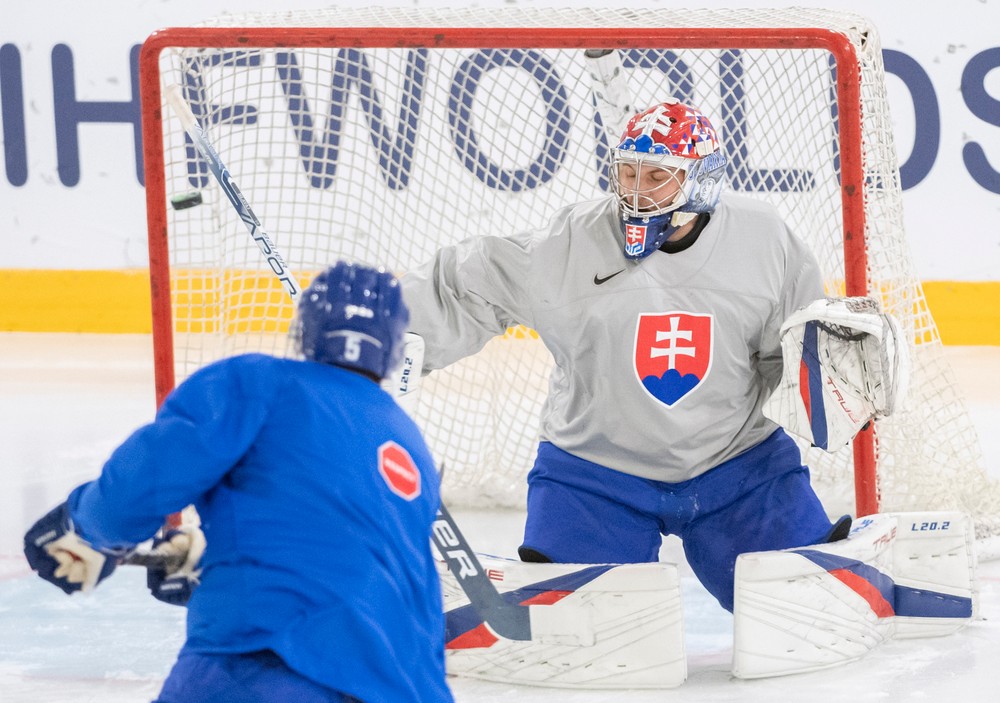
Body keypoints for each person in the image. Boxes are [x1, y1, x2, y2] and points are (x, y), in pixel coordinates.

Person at [400, 98, 851, 613]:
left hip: (737, 466)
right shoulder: (572, 241)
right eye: (627, 173)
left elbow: (795, 349)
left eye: (657, 176)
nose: (636, 191)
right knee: (576, 628)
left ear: (701, 181)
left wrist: (829, 376)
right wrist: (388, 339)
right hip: (595, 472)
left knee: (808, 610)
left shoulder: (765, 238)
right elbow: (469, 283)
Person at [23, 261, 455, 703]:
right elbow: (349, 550)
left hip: (267, 663)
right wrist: (214, 559)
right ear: (395, 346)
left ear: (306, 327)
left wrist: (85, 528)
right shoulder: (409, 442)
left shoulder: (260, 382)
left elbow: (150, 476)